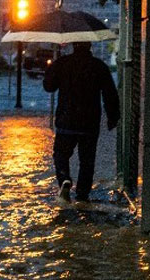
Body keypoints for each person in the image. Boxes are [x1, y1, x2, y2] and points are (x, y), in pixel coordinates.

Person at [43, 42, 120, 203]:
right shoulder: (99, 66)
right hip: (89, 123)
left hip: (66, 121)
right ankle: (82, 195)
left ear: (73, 45)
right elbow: (110, 94)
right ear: (90, 45)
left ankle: (64, 178)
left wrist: (51, 69)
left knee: (61, 154)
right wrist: (113, 117)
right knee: (87, 160)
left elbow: (49, 87)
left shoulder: (62, 63)